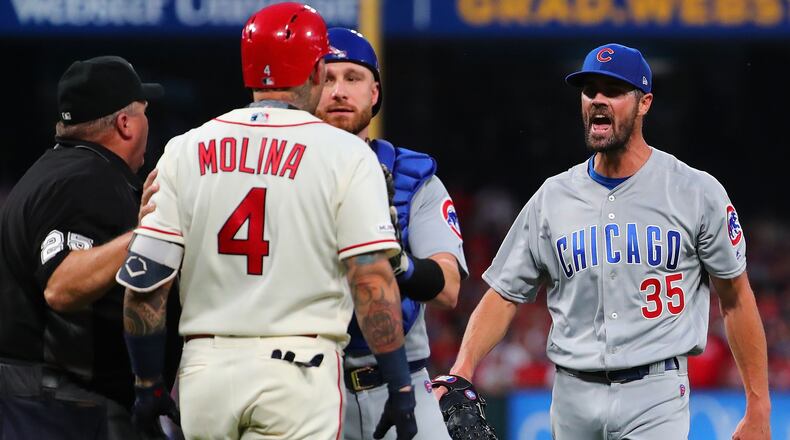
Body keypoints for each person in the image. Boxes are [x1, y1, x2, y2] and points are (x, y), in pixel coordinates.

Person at [438, 43, 771, 439]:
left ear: (644, 102)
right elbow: (505, 293)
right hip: (571, 394)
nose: (598, 100)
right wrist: (463, 367)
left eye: (613, 90)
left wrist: (758, 405)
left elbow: (735, 298)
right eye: (589, 90)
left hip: (656, 393)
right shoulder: (553, 197)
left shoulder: (694, 191)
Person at [115, 4, 417, 440]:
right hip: (300, 370)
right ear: (316, 70)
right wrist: (401, 386)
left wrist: (146, 384)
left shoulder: (185, 149)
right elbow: (371, 279)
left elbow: (146, 285)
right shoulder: (345, 154)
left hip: (206, 372)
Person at [0, 55, 178, 439]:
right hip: (58, 404)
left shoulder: (60, 170)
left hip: (46, 397)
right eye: (144, 112)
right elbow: (61, 285)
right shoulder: (84, 179)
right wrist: (149, 232)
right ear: (125, 123)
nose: (150, 123)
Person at [315, 28, 468, 440]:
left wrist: (393, 258)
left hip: (403, 379)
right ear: (306, 89)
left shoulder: (412, 178)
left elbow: (447, 288)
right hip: (310, 386)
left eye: (353, 77)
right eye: (327, 78)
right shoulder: (279, 174)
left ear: (375, 92)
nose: (339, 91)